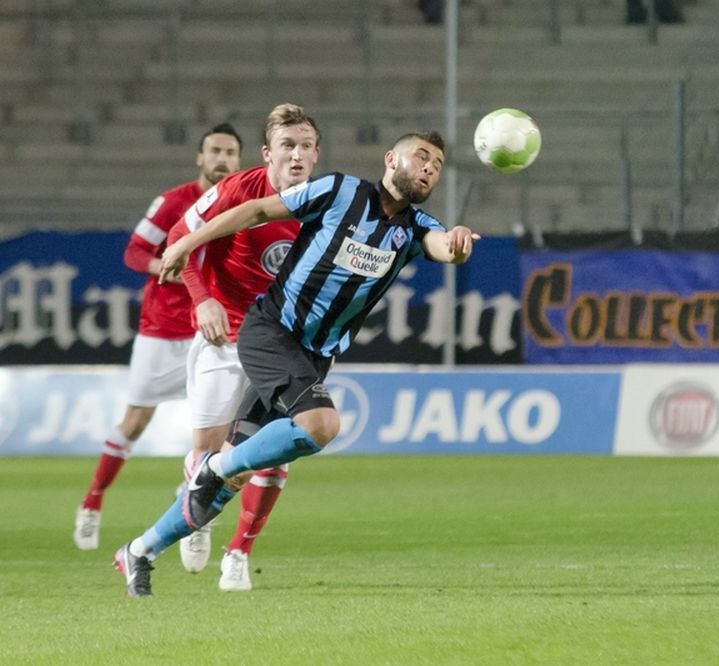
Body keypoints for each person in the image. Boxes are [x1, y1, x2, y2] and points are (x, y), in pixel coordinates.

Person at [113, 130, 480, 596]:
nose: (429, 167)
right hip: (272, 331)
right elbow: (257, 210)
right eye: (421, 156)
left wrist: (457, 242)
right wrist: (188, 243)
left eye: (437, 164)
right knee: (321, 425)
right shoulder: (340, 190)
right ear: (391, 159)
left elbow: (443, 246)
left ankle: (139, 550)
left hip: (315, 354)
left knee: (231, 481)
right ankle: (215, 467)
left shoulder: (417, 227)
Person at [170, 103, 322, 589]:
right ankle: (199, 510)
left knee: (274, 454)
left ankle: (239, 553)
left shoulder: (327, 203)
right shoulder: (238, 190)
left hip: (279, 344)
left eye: (305, 146)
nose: (296, 155)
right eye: (287, 146)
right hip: (225, 336)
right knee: (207, 451)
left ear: (316, 154)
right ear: (267, 153)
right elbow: (180, 235)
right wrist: (203, 300)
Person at [72, 122, 243, 551]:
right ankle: (92, 502)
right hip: (164, 329)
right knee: (135, 421)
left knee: (220, 434)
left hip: (217, 331)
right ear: (200, 157)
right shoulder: (173, 203)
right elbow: (134, 252)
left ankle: (194, 515)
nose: (222, 159)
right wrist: (167, 266)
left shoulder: (243, 202)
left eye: (230, 152)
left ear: (240, 159)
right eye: (215, 151)